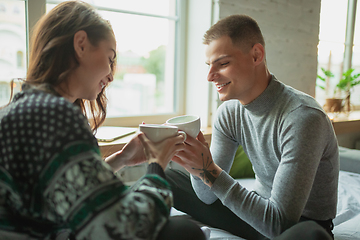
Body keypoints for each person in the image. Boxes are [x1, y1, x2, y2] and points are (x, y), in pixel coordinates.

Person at [0, 1, 205, 239]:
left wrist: (122, 159)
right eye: (109, 58)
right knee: (185, 232)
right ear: (81, 44)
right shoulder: (54, 115)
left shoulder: (19, 110)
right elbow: (125, 228)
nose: (110, 75)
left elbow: (66, 190)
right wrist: (157, 164)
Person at [166, 14, 339, 240]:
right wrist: (197, 166)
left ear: (256, 55)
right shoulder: (229, 113)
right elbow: (207, 197)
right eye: (209, 65)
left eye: (223, 63)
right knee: (170, 177)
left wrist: (208, 168)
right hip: (258, 212)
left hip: (295, 225)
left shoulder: (303, 117)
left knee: (310, 235)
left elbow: (279, 223)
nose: (210, 76)